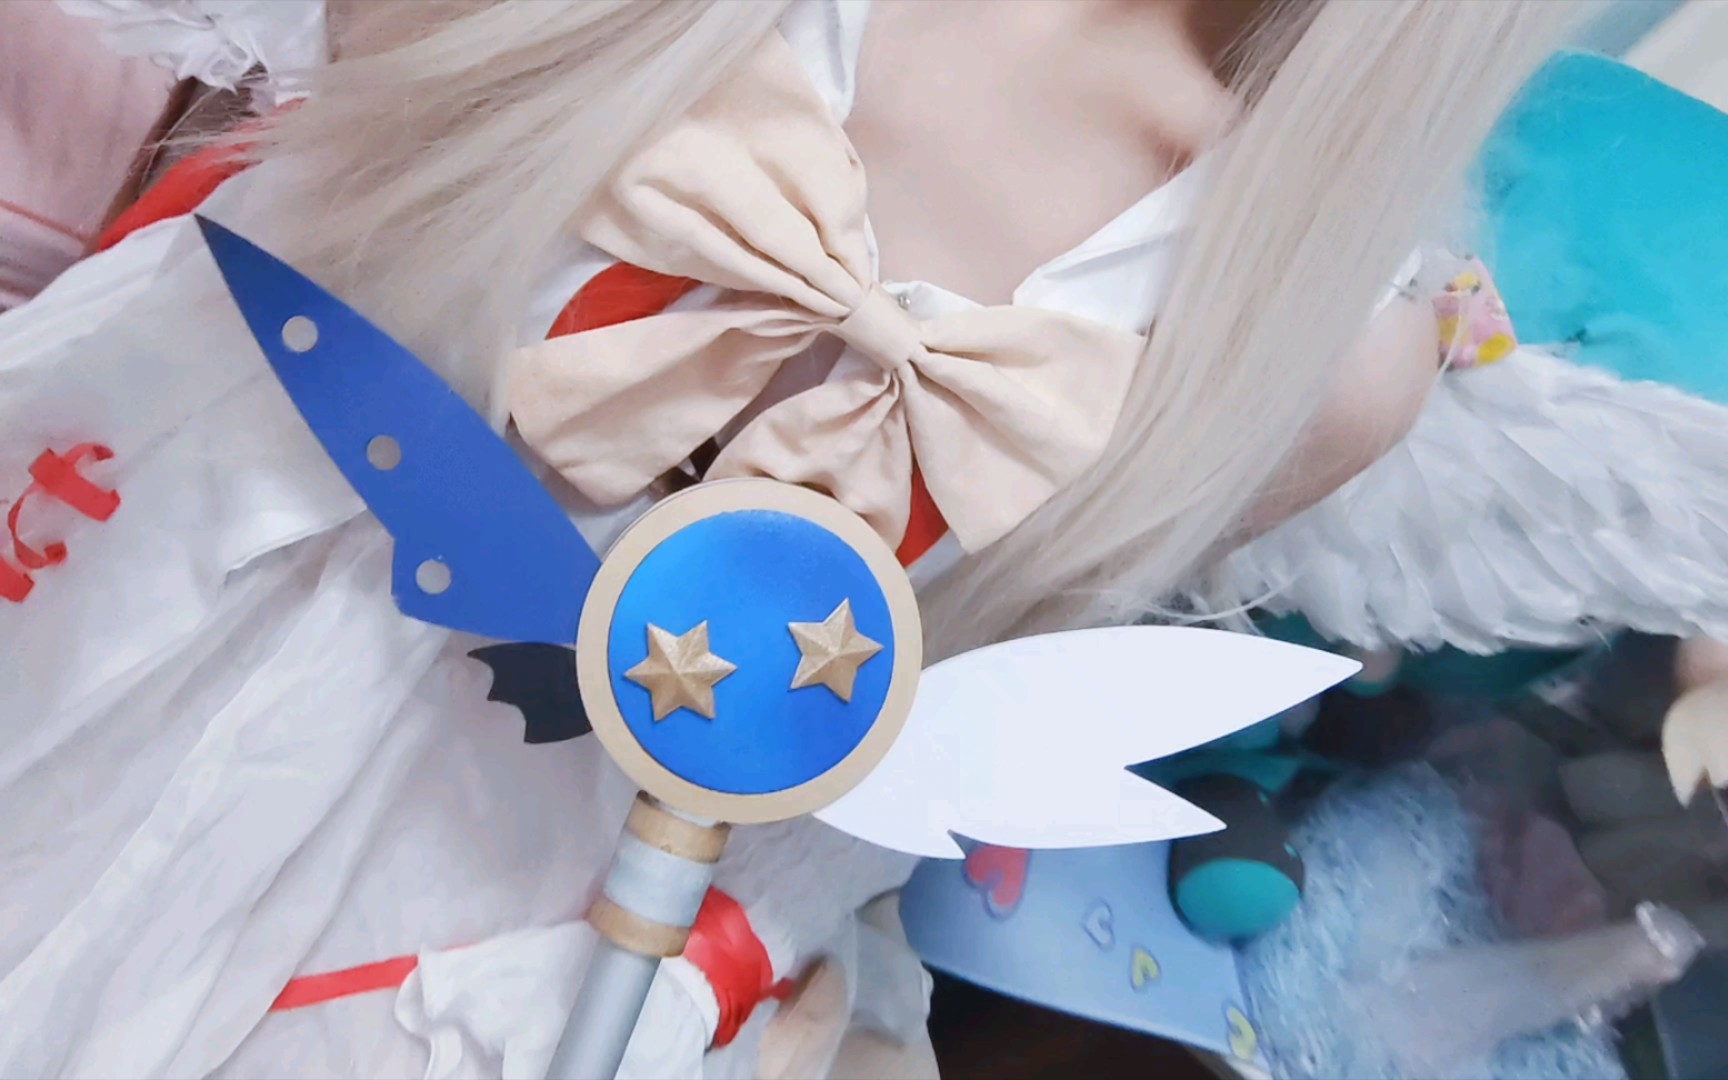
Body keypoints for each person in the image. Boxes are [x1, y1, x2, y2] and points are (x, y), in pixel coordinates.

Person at [0, 1, 1584, 1076]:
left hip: (508, 848)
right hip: (143, 550)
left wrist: (710, 964)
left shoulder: (1332, 345)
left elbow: (912, 704)